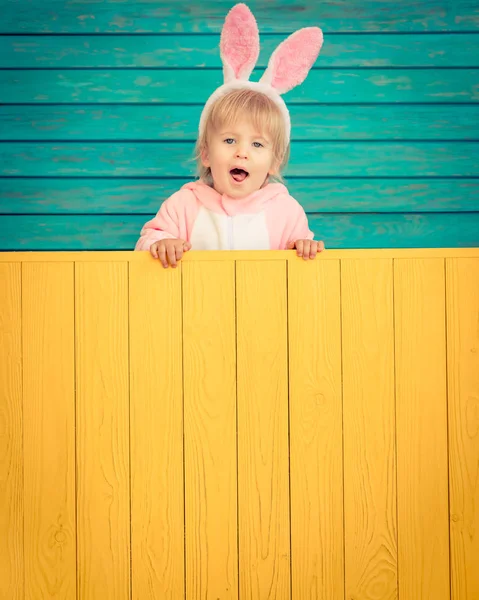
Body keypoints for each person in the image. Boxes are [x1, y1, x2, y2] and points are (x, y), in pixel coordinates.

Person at [135, 3, 326, 268]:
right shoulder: (183, 205)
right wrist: (160, 244)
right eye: (228, 140)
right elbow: (145, 243)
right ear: (206, 154)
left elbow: (303, 262)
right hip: (195, 306)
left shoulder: (285, 211)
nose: (242, 152)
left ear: (274, 162)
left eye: (257, 143)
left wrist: (305, 247)